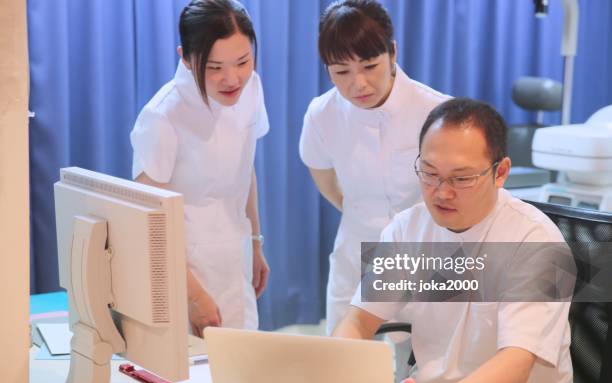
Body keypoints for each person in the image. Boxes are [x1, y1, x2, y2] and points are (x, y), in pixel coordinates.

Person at [334, 98, 572, 383]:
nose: (442, 192)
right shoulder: (407, 229)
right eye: (429, 173)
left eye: (461, 179)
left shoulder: (536, 241)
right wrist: (331, 371)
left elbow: (516, 364)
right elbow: (359, 321)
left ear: (500, 173)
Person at [299, 0, 449, 335]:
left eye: (369, 65)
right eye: (341, 72)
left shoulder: (439, 112)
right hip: (355, 254)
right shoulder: (322, 114)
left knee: (423, 369)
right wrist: (358, 211)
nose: (358, 84)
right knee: (345, 366)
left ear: (392, 53)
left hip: (426, 256)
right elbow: (322, 173)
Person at [130, 0, 269, 335]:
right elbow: (151, 219)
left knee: (241, 368)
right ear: (185, 57)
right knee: (189, 379)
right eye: (214, 67)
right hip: (182, 270)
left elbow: (244, 167)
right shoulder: (163, 116)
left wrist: (254, 241)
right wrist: (193, 296)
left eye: (242, 61)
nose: (231, 78)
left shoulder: (250, 89)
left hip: (234, 255)